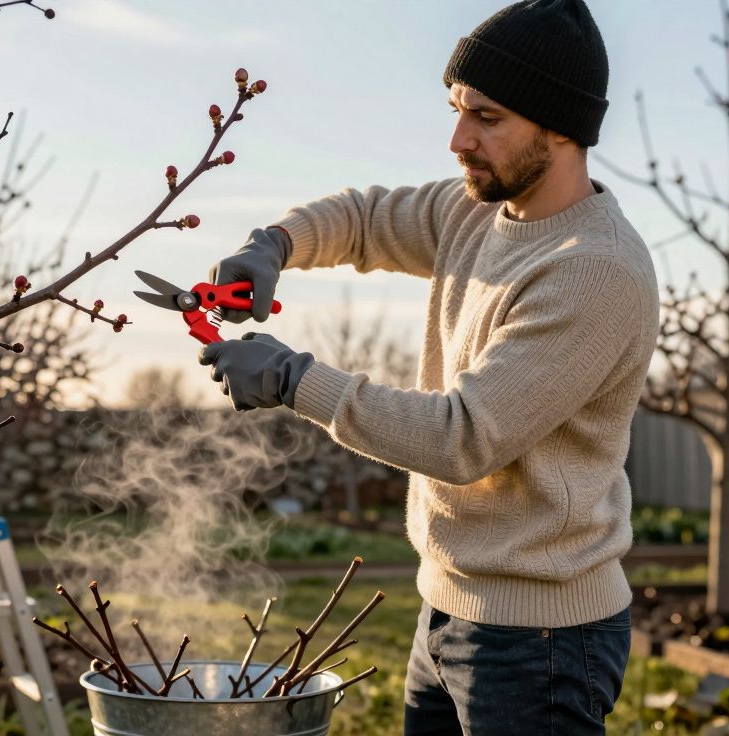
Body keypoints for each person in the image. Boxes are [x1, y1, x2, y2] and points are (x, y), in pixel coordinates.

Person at [198, 1, 658, 733]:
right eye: (456, 109)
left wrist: (294, 380)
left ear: (561, 126)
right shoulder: (478, 212)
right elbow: (365, 217)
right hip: (447, 610)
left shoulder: (594, 272)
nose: (457, 138)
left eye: (487, 117)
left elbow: (461, 438)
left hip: (541, 642)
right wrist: (275, 244)